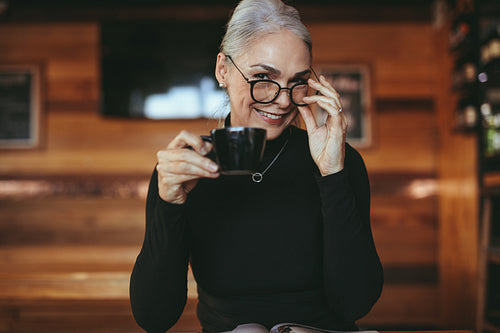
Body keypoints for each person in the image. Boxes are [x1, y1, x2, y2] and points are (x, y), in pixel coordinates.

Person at [130, 0, 384, 332]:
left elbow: (355, 302)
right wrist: (168, 204)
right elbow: (154, 317)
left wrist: (333, 174)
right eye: (263, 77)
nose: (282, 100)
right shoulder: (184, 168)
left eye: (298, 81)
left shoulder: (340, 161)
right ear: (223, 70)